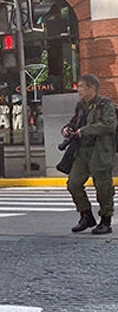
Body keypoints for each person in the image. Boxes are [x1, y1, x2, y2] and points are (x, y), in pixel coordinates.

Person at [61, 73, 117, 235]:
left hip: (100, 151)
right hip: (82, 151)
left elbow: (110, 125)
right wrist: (67, 129)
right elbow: (74, 122)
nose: (79, 90)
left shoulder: (105, 104)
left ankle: (105, 220)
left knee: (103, 186)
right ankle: (86, 216)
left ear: (92, 88)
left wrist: (85, 130)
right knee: (73, 183)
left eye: (81, 87)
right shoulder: (81, 105)